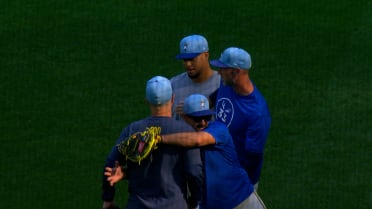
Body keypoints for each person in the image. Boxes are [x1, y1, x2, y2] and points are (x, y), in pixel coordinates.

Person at [106, 94, 267, 209]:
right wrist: (126, 173)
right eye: (197, 118)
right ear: (184, 118)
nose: (203, 122)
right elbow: (167, 171)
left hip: (242, 201)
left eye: (206, 117)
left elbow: (197, 140)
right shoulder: (180, 140)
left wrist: (158, 139)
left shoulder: (218, 129)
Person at [101, 76, 204, 209]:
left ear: (147, 101)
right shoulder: (186, 132)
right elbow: (194, 172)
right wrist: (196, 201)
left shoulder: (132, 130)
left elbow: (110, 165)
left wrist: (108, 199)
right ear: (172, 98)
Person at [210, 47, 272, 190]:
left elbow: (252, 158)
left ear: (236, 72)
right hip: (217, 169)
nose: (218, 72)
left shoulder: (257, 113)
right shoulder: (227, 83)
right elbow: (220, 93)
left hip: (238, 182)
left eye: (223, 69)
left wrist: (234, 181)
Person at [171, 34, 220, 120]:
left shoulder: (222, 83)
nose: (188, 64)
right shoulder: (172, 85)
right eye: (185, 60)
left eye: (192, 58)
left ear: (206, 55)